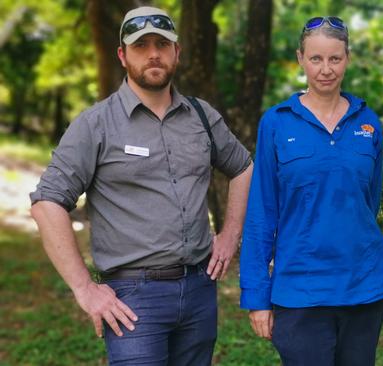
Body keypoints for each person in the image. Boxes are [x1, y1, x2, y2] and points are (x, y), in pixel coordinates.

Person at [29, 6, 252, 365]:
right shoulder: (95, 125)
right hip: (133, 298)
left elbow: (243, 167)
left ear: (177, 53)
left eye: (162, 44)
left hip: (198, 291)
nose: (153, 54)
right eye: (140, 45)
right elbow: (47, 203)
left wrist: (229, 236)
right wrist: (85, 289)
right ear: (122, 55)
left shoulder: (202, 117)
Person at [239, 16, 383, 366]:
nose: (326, 69)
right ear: (300, 59)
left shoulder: (368, 123)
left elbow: (367, 202)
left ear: (347, 59)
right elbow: (262, 212)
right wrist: (257, 297)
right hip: (300, 291)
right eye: (316, 59)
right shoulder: (277, 122)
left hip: (363, 287)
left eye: (335, 59)